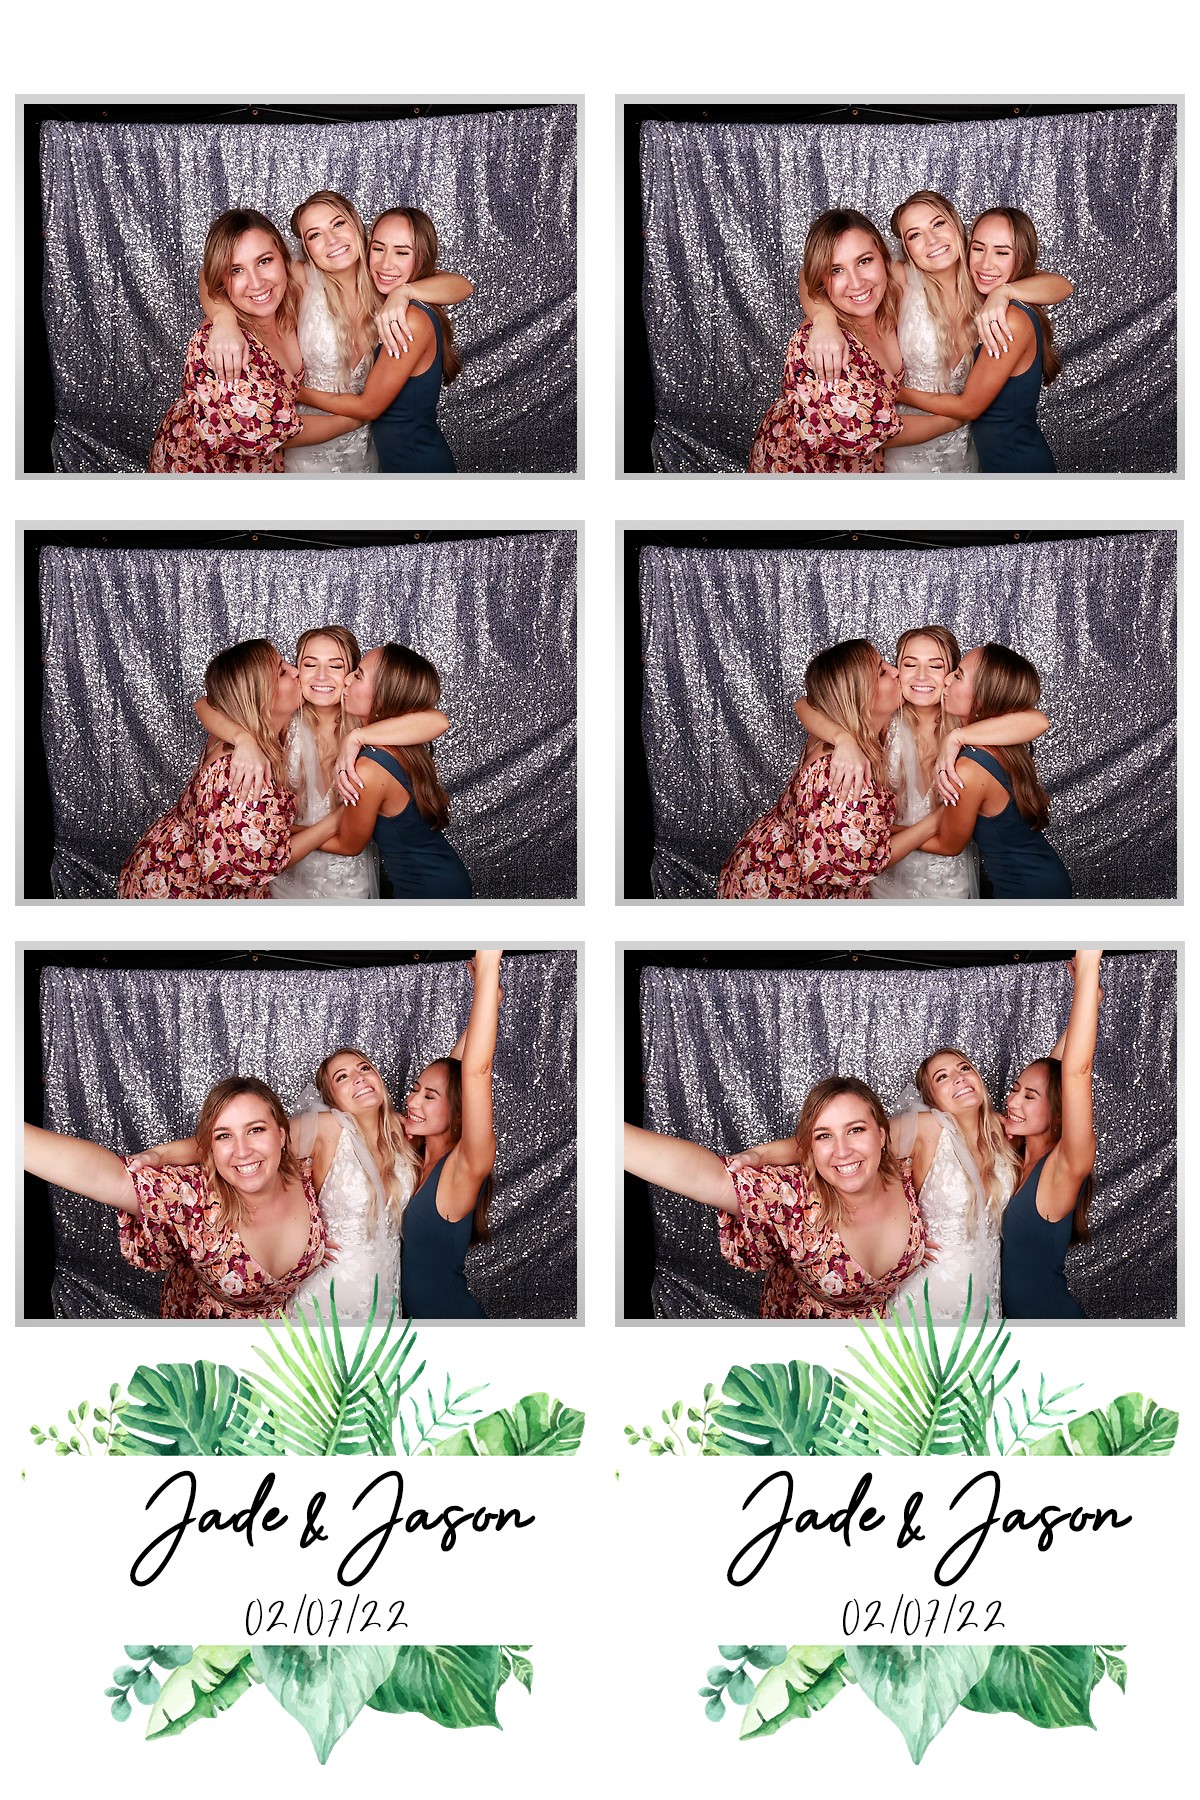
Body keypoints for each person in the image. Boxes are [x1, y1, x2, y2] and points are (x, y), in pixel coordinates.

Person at [732, 1050, 1018, 1324]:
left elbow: (1049, 1090)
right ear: (932, 1097)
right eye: (942, 1076)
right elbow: (841, 1144)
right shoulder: (928, 1128)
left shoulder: (1002, 1133)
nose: (958, 1078)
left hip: (985, 1284)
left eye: (964, 1068)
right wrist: (759, 1155)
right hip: (932, 1284)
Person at [200, 190, 473, 475]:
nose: (331, 240)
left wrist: (403, 292)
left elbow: (462, 285)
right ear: (306, 248)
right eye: (315, 235)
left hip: (368, 450)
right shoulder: (302, 279)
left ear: (356, 225)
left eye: (338, 224)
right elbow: (211, 273)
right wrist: (223, 319)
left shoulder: (383, 276)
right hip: (308, 449)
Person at [799, 191, 1072, 475]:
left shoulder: (983, 277)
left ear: (956, 225)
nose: (931, 241)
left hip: (968, 450)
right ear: (906, 248)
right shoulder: (902, 279)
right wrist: (823, 319)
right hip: (909, 450)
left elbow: (1062, 286)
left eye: (938, 224)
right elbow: (810, 273)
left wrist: (1004, 292)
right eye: (915, 235)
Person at [625, 1077, 928, 1320]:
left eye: (856, 1130)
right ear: (809, 1148)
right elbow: (712, 1179)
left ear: (882, 1135)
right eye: (824, 1135)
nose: (842, 1151)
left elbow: (936, 1124)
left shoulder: (907, 1176)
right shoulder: (794, 1198)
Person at [24, 1078, 327, 1320]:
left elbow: (340, 1124)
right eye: (224, 1135)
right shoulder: (194, 1198)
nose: (242, 1150)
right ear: (209, 1148)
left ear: (282, 1135)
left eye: (256, 1130)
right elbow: (111, 1178)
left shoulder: (307, 1175)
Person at [194, 626, 450, 902]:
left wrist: (356, 737)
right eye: (309, 664)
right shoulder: (284, 718)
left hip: (348, 878)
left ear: (352, 674)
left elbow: (438, 721)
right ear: (298, 669)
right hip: (287, 876)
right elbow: (205, 703)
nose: (321, 676)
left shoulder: (368, 721)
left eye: (336, 666)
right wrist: (241, 737)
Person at [117, 640, 346, 899]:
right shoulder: (241, 771)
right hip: (180, 887)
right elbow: (263, 861)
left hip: (163, 859)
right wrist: (336, 821)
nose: (295, 671)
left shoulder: (248, 731)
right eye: (282, 672)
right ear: (259, 696)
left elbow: (204, 703)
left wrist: (242, 737)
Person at [716, 640, 945, 898]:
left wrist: (842, 737)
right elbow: (860, 862)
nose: (895, 671)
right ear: (859, 696)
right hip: (779, 888)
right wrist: (936, 822)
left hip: (762, 860)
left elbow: (803, 703)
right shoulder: (841, 771)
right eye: (882, 672)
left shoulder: (843, 730)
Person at [748, 208, 960, 473]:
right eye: (836, 270)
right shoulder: (815, 348)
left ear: (884, 258)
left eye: (864, 261)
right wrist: (957, 420)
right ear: (821, 279)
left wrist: (1003, 293)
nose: (857, 283)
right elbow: (874, 432)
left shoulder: (892, 301)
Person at [149, 209, 359, 473]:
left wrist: (403, 293)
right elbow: (275, 432)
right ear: (221, 279)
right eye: (236, 270)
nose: (257, 283)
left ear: (284, 258)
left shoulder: (292, 301)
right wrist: (357, 420)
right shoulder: (215, 348)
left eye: (264, 261)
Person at [895, 208, 1065, 472]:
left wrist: (894, 390)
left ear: (1021, 256)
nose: (986, 264)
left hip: (1016, 465)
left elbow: (969, 408)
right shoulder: (987, 296)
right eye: (978, 248)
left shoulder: (1011, 319)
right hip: (986, 461)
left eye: (1002, 252)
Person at [296, 209, 463, 472]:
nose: (386, 264)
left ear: (422, 256)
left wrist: (294, 390)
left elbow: (369, 408)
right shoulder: (386, 295)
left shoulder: (412, 319)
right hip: (387, 462)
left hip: (416, 465)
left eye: (402, 252)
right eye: (378, 248)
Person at [319, 644, 473, 899]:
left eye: (358, 675)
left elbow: (349, 845)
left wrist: (282, 833)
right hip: (443, 877)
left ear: (382, 697)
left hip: (427, 890)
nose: (346, 678)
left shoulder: (368, 769)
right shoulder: (397, 745)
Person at [918, 644, 1072, 897]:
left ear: (982, 697)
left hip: (1026, 889)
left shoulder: (968, 769)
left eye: (958, 676)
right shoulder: (997, 745)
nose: (946, 678)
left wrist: (880, 832)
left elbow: (949, 845)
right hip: (1043, 876)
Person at [399, 949, 503, 1319]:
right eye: (415, 1089)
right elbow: (454, 1074)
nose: (412, 1101)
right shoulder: (418, 1156)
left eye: (428, 1097)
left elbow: (474, 1073)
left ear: (457, 1112)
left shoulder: (465, 1167)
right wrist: (489, 999)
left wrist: (489, 965)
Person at [1001, 952, 1101, 1319]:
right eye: (1015, 1089)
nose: (1012, 1101)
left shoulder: (1064, 1167)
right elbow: (1053, 1075)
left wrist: (1089, 964)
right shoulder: (1020, 1155)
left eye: (1028, 1097)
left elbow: (1074, 1073)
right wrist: (1088, 997)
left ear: (1058, 1114)